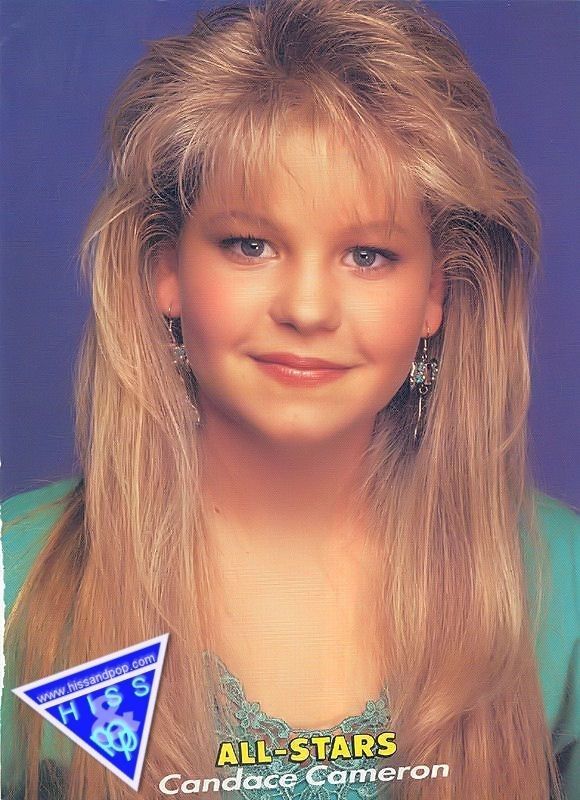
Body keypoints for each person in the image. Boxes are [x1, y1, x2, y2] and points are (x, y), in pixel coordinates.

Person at [1, 1, 578, 798]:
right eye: (250, 244)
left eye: (368, 255)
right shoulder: (14, 583)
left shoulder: (563, 590)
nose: (307, 309)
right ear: (165, 270)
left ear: (435, 295)